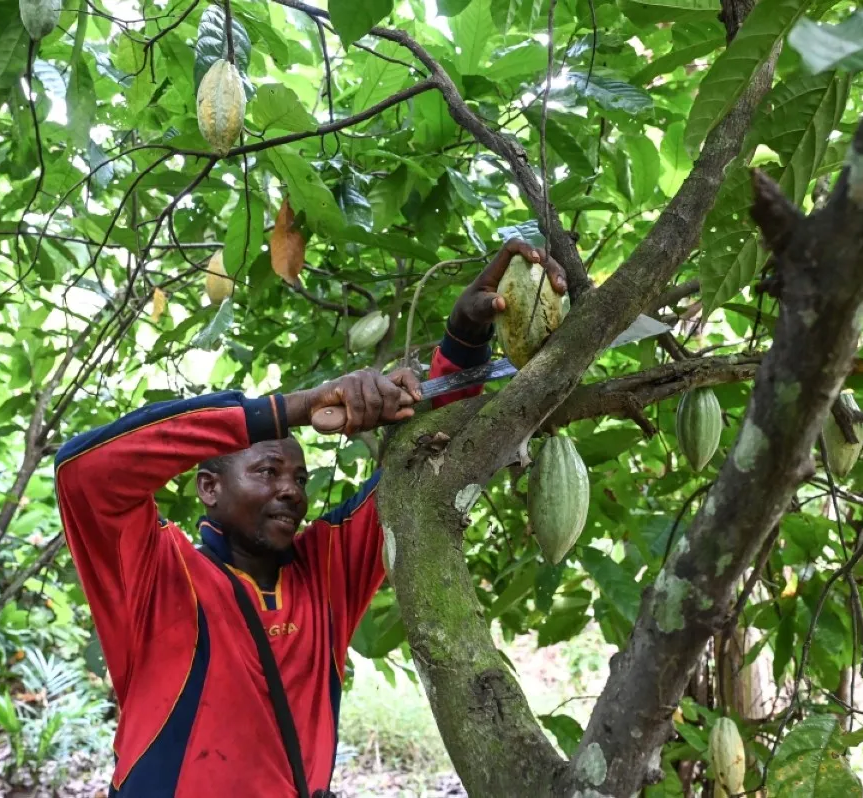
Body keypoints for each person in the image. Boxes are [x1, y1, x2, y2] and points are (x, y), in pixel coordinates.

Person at [53, 240, 567, 797]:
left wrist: (466, 338)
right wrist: (292, 407)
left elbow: (428, 467)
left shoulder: (326, 570)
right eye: (268, 471)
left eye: (299, 479)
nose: (290, 492)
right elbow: (84, 471)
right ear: (209, 486)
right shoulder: (158, 576)